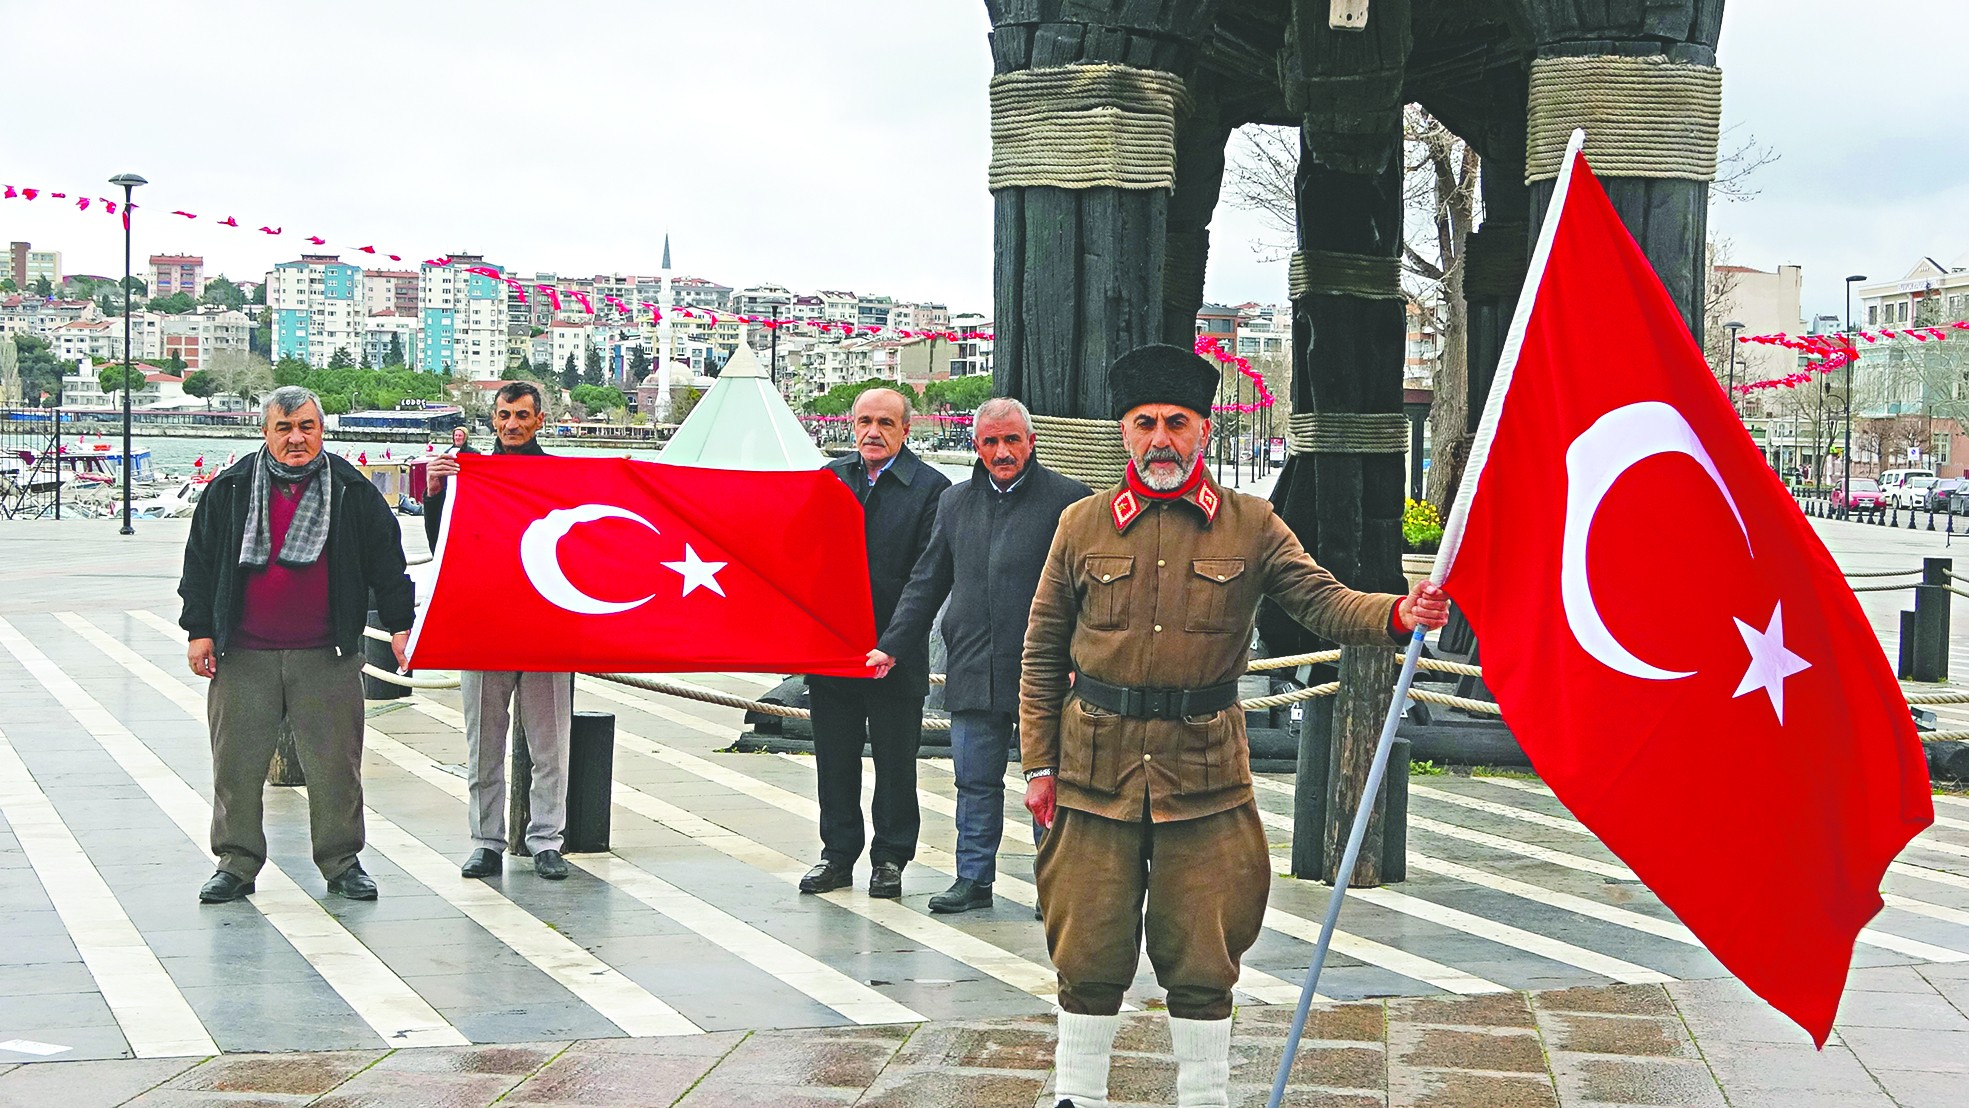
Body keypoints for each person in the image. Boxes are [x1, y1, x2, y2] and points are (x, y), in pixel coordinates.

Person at [1020, 344, 1450, 1108]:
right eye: (1144, 423)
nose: (1160, 439)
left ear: (1204, 431)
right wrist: (1038, 766)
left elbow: (1320, 601)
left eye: (1176, 423)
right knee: (1085, 944)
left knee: (1204, 949)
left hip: (1204, 773)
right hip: (1094, 770)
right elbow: (1043, 651)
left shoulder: (1251, 524)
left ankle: (1205, 1096)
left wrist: (1394, 612)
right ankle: (1076, 1094)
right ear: (1124, 433)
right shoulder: (1079, 524)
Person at [178, 385, 414, 904]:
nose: (296, 438)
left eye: (306, 427)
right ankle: (236, 863)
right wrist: (200, 631)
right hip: (243, 653)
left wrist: (400, 624)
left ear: (321, 431)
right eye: (284, 428)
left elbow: (387, 562)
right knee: (236, 766)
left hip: (326, 654)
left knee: (336, 767)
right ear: (265, 432)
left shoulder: (351, 489)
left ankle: (341, 862)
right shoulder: (232, 488)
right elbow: (199, 564)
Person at [865, 398, 1089, 913]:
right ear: (977, 445)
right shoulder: (955, 502)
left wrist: (1082, 658)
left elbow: (1088, 591)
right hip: (972, 665)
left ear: (1031, 442)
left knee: (1050, 783)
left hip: (1045, 672)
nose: (1002, 451)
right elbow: (926, 581)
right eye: (991, 441)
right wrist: (893, 645)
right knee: (974, 780)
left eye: (1012, 440)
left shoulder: (1070, 502)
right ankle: (972, 879)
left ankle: (1053, 886)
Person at [800, 387, 951, 899]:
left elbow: (927, 578)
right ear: (851, 423)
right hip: (835, 654)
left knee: (895, 765)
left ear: (906, 430)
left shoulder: (931, 489)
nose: (873, 432)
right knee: (833, 761)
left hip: (896, 655)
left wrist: (895, 644)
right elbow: (803, 557)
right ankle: (837, 856)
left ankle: (890, 858)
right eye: (865, 421)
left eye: (886, 423)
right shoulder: (830, 478)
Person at [425, 381, 574, 881]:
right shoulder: (469, 475)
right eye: (504, 415)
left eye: (522, 416)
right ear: (493, 419)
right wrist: (435, 493)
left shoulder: (559, 476)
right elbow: (442, 545)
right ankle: (486, 841)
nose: (512, 424)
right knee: (483, 745)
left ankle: (547, 839)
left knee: (550, 746)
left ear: (539, 420)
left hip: (545, 631)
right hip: (485, 628)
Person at [422, 424, 478, 548]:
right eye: (456, 435)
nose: (458, 438)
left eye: (460, 435)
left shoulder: (474, 453)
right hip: (448, 491)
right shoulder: (447, 453)